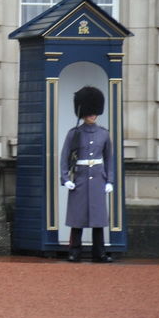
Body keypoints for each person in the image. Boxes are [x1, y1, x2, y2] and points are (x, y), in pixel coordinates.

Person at [60, 85, 114, 263]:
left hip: (98, 179)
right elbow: (65, 157)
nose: (92, 115)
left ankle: (99, 253)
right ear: (83, 113)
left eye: (94, 113)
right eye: (89, 112)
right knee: (77, 218)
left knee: (98, 220)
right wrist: (65, 178)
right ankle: (74, 251)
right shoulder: (74, 133)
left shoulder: (104, 134)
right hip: (80, 179)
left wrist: (110, 181)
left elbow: (109, 159)